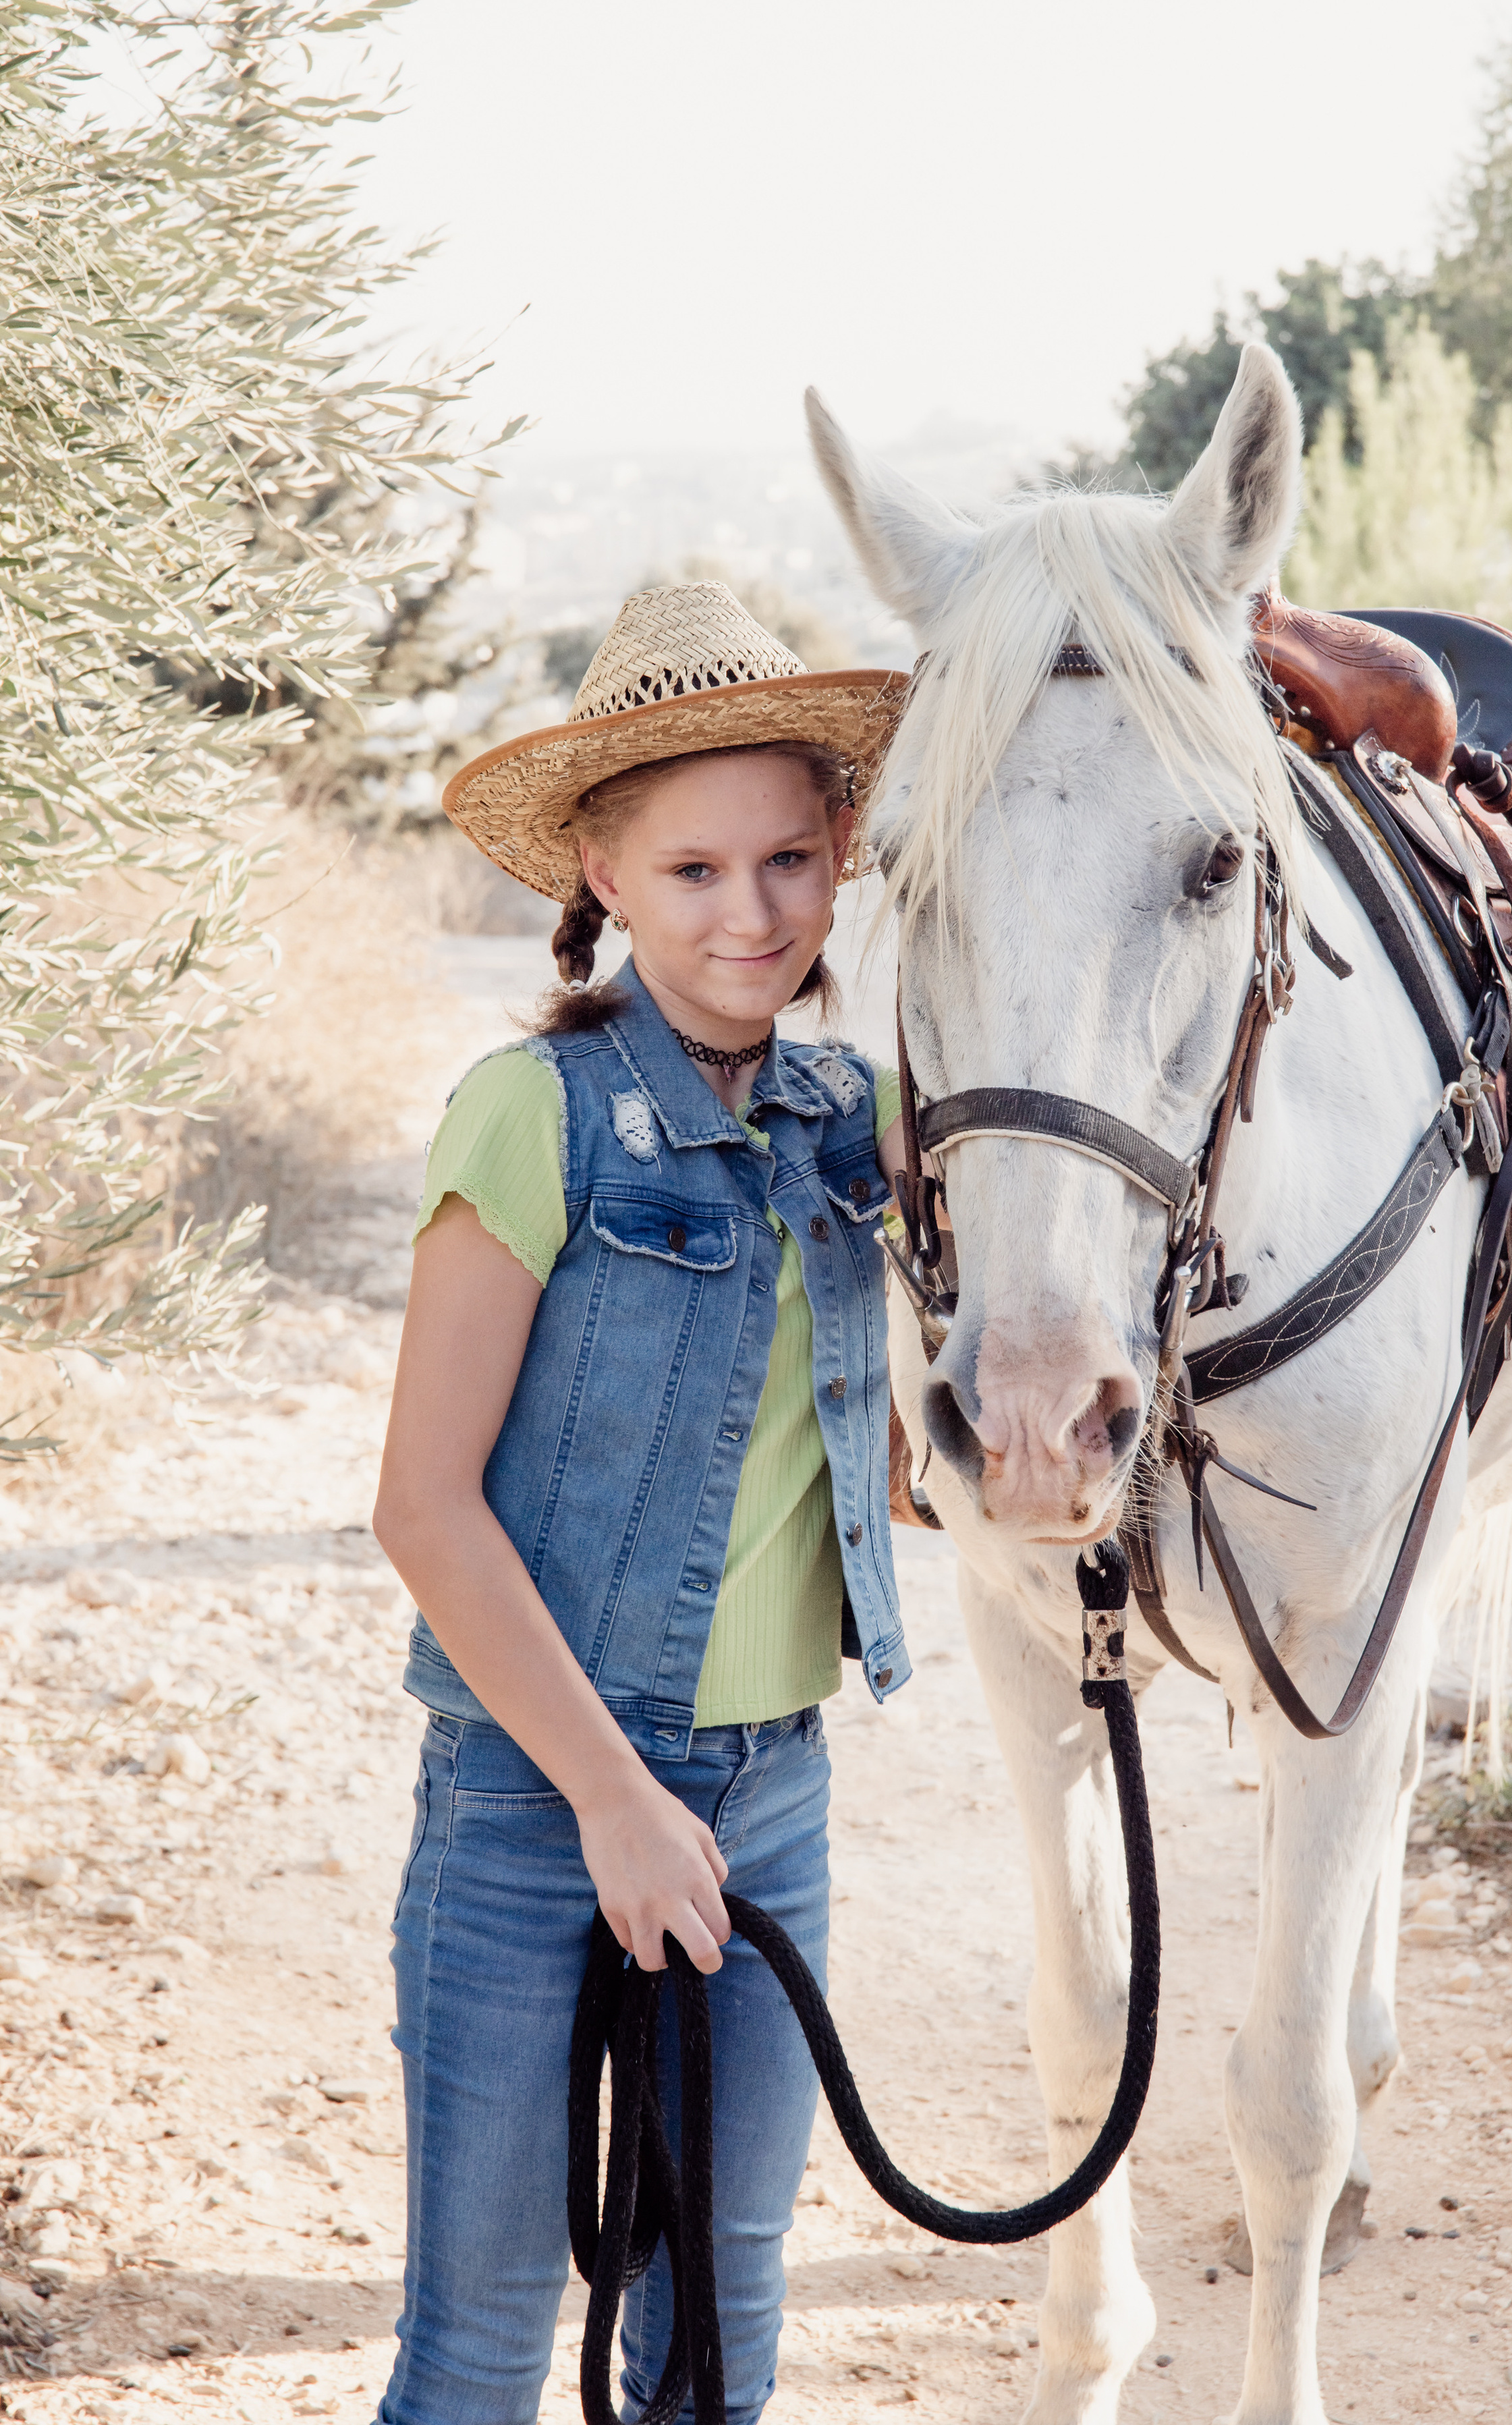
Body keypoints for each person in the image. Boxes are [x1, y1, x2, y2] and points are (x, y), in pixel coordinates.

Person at [370, 582, 912, 2425]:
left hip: (771, 1797)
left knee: (720, 2340)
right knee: (480, 2340)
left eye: (787, 857)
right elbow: (426, 1507)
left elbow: (887, 1451)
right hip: (532, 1801)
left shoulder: (860, 1116)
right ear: (598, 866)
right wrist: (613, 1797)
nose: (748, 913)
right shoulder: (531, 1114)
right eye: (690, 869)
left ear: (841, 853)